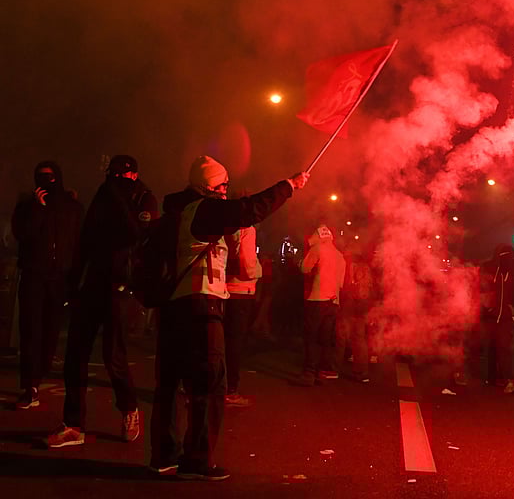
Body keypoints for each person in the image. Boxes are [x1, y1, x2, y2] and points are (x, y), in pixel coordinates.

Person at [149, 155, 308, 480]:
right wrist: (289, 186)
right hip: (202, 305)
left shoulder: (173, 215)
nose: (227, 190)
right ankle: (197, 460)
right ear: (209, 186)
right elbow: (250, 210)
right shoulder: (204, 209)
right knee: (209, 384)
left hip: (172, 308)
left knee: (168, 385)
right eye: (223, 184)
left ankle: (164, 455)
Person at [47, 155, 157, 448]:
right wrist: (73, 283)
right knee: (75, 354)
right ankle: (73, 424)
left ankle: (129, 407)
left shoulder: (144, 198)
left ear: (132, 175)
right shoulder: (103, 195)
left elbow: (138, 233)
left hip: (121, 285)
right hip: (94, 282)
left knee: (114, 355)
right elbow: (86, 240)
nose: (114, 181)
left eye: (119, 176)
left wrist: (117, 196)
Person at [12, 161, 83, 410]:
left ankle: (40, 371)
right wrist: (37, 209)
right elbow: (23, 234)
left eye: (50, 176)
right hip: (33, 274)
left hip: (59, 277)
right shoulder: (26, 206)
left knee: (51, 328)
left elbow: (78, 243)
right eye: (40, 177)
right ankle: (30, 384)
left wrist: (75, 278)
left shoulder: (72, 208)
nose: (45, 181)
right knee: (30, 327)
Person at [298, 224, 345, 386]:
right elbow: (340, 283)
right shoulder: (340, 255)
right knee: (325, 338)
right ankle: (321, 371)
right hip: (334, 301)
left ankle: (308, 373)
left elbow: (304, 268)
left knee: (311, 337)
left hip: (317, 299)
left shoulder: (317, 249)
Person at [223, 219, 262, 407]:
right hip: (241, 290)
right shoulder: (247, 228)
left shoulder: (223, 225)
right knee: (234, 342)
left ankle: (206, 385)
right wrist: (259, 271)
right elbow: (247, 265)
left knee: (218, 341)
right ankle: (230, 390)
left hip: (221, 289)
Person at [480, 244, 514, 394]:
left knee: (500, 347)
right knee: (498, 347)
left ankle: (502, 379)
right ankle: (501, 379)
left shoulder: (511, 270)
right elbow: (481, 288)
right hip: (494, 315)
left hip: (502, 315)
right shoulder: (492, 268)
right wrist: (487, 307)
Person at [334, 250, 374, 383]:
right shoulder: (366, 272)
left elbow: (344, 286)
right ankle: (362, 373)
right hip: (361, 308)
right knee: (359, 340)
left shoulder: (350, 267)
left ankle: (334, 369)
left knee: (341, 337)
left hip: (349, 307)